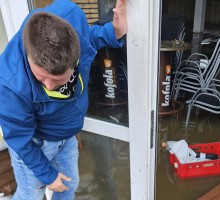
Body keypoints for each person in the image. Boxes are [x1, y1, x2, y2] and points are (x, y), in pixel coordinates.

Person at [0, 0, 127, 199]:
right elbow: (19, 139)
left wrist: (114, 31)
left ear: (76, 58)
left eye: (58, 81)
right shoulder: (9, 84)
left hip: (65, 137)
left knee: (69, 184)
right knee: (30, 195)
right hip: (34, 143)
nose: (49, 87)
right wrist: (48, 175)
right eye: (41, 78)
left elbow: (89, 38)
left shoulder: (71, 17)